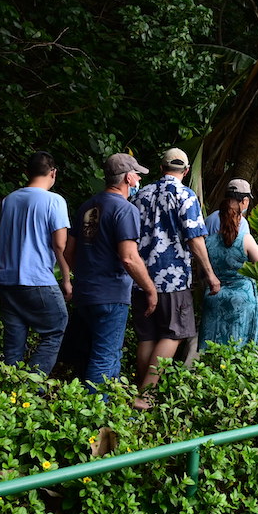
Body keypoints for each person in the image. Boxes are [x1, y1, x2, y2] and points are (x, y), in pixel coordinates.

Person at [63, 154, 157, 391]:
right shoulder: (125, 209)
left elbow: (68, 251)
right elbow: (129, 256)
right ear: (128, 177)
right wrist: (150, 288)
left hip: (85, 292)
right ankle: (96, 418)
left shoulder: (87, 206)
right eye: (136, 175)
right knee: (105, 357)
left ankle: (99, 411)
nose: (138, 180)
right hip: (111, 295)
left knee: (89, 353)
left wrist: (85, 274)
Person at [131, 148, 219, 397]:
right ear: (186, 171)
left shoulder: (141, 195)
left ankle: (141, 392)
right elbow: (195, 240)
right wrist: (210, 274)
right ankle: (145, 394)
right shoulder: (186, 196)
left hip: (141, 278)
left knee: (147, 336)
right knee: (174, 333)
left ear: (161, 168)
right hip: (173, 279)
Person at [0, 151, 72, 375]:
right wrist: (66, 279)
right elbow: (60, 245)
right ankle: (30, 387)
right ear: (53, 173)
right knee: (56, 328)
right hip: (37, 279)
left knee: (14, 337)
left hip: (5, 279)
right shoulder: (54, 201)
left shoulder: (8, 200)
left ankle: (8, 387)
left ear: (26, 173)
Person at [199, 179, 258, 349]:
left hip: (214, 297)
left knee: (211, 350)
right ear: (244, 202)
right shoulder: (246, 238)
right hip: (241, 300)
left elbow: (202, 271)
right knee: (238, 351)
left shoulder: (207, 240)